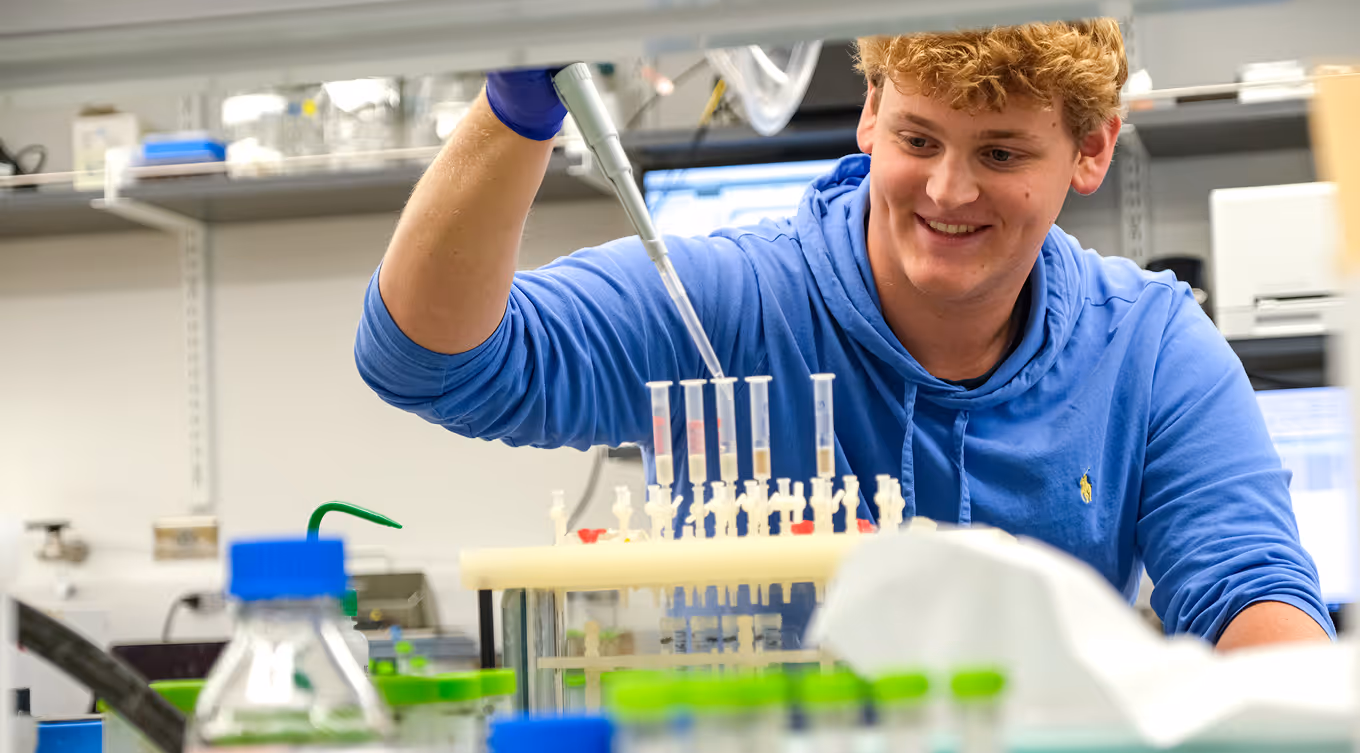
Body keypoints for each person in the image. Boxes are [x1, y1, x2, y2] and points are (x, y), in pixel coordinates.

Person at [355, 19, 1333, 650]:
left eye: (999, 152)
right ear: (869, 113)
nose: (948, 191)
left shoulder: (1149, 349)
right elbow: (429, 360)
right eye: (918, 140)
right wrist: (512, 116)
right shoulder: (725, 304)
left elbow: (1251, 593)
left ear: (1090, 151)